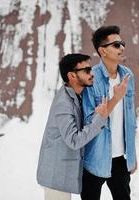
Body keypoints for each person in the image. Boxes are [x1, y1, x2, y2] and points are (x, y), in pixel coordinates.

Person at [36, 53, 126, 200]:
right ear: (72, 76)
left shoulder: (76, 95)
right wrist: (101, 117)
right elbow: (74, 141)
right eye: (86, 70)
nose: (92, 74)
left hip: (65, 174)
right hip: (56, 176)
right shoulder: (63, 104)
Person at [81, 25, 137, 200]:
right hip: (94, 158)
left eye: (122, 43)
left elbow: (129, 117)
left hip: (120, 159)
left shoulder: (128, 75)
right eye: (116, 45)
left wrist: (132, 155)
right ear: (102, 51)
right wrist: (115, 97)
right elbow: (89, 120)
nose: (122, 48)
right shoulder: (91, 78)